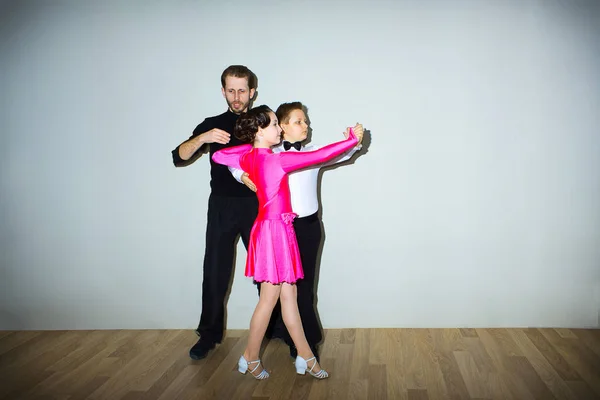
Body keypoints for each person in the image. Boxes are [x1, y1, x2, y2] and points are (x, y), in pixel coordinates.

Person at [212, 105, 364, 379]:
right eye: (273, 124)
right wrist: (351, 139)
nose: (279, 129)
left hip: (278, 230)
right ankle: (252, 356)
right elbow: (320, 154)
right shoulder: (276, 160)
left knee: (289, 299)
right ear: (259, 130)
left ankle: (306, 357)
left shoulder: (251, 157)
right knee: (268, 301)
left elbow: (222, 155)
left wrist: (247, 151)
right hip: (274, 233)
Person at [171, 65, 260, 360]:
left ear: (252, 92)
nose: (237, 97)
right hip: (221, 205)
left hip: (257, 204)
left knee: (268, 271)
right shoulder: (213, 124)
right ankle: (208, 335)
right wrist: (203, 138)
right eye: (231, 90)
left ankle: (280, 330)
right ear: (223, 91)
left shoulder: (263, 122)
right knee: (215, 272)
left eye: (242, 90)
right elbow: (179, 157)